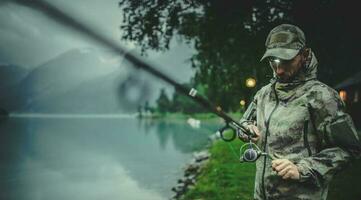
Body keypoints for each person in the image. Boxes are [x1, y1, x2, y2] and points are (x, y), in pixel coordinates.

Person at [239, 24, 360, 200]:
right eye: (274, 61)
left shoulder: (322, 97)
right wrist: (246, 129)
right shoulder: (264, 94)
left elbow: (348, 148)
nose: (278, 69)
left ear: (304, 55)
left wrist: (303, 169)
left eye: (286, 61)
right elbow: (244, 121)